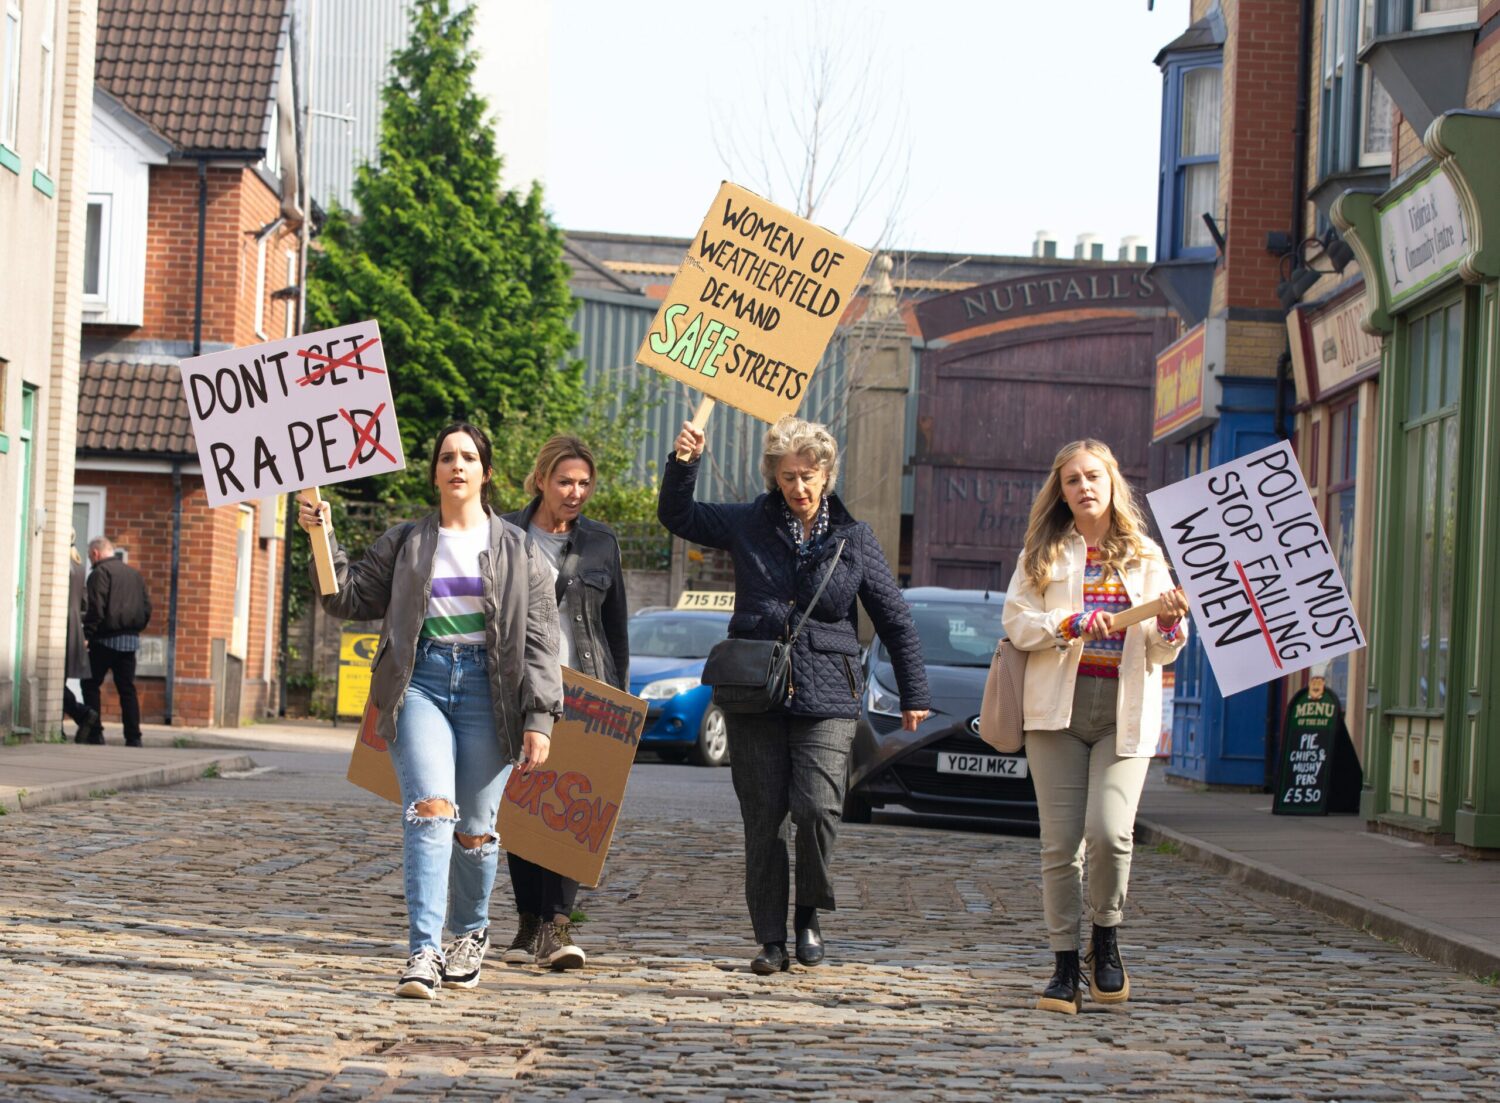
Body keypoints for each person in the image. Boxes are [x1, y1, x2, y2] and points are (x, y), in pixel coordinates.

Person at [299, 422, 564, 1000]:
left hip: (489, 693)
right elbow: (346, 596)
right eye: (447, 457)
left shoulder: (522, 552)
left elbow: (543, 643)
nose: (457, 465)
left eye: (469, 457)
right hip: (418, 683)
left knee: (473, 831)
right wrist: (322, 536)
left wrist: (540, 719)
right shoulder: (406, 542)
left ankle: (468, 934)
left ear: (486, 472)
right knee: (429, 811)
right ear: (436, 472)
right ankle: (422, 950)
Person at [660, 414, 930, 975]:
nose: (799, 488)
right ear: (774, 476)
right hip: (755, 691)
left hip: (828, 694)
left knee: (816, 810)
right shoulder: (750, 522)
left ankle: (808, 913)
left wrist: (913, 691)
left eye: (808, 475)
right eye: (788, 477)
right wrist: (685, 462)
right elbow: (678, 515)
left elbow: (896, 620)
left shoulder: (853, 539)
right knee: (763, 820)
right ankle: (770, 940)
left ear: (826, 474)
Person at [1001, 439, 1189, 1014]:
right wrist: (1071, 621)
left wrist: (1173, 626)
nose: (1084, 487)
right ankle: (1063, 966)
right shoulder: (1043, 552)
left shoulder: (1146, 555)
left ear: (1113, 483)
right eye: (1072, 480)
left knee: (1110, 833)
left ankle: (1104, 935)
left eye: (1093, 477)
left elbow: (1160, 650)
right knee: (1061, 845)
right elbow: (1017, 623)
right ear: (1061, 492)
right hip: (1055, 711)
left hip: (1123, 710)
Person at [499, 435, 629, 971]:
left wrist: (621, 701)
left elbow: (615, 628)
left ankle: (557, 926)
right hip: (520, 688)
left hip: (585, 690)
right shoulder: (504, 533)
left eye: (584, 483)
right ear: (540, 480)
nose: (575, 493)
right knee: (524, 806)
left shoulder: (602, 543)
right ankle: (529, 920)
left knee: (572, 813)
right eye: (564, 481)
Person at [81, 537, 152, 747]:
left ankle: (95, 734)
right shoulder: (134, 575)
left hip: (104, 640)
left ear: (95, 554)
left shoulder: (99, 574)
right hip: (130, 642)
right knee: (127, 690)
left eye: (89, 557)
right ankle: (134, 737)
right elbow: (147, 608)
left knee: (90, 684)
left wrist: (87, 635)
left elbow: (96, 609)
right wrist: (135, 629)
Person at [63, 536, 98, 742]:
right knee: (59, 679)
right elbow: (85, 603)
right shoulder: (78, 564)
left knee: (55, 681)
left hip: (61, 625)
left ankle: (81, 713)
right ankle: (73, 718)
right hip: (74, 627)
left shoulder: (63, 564)